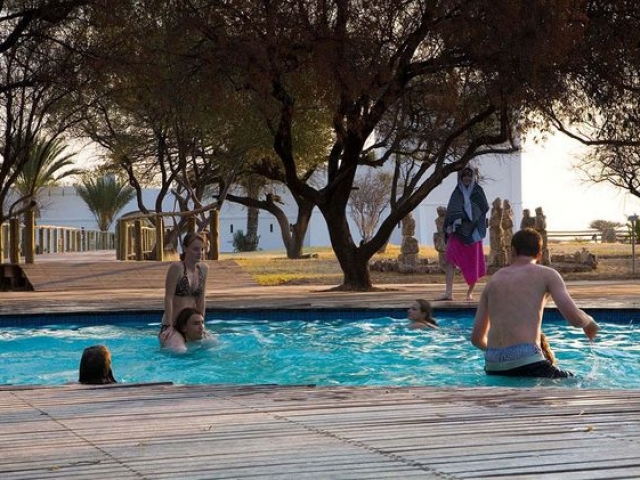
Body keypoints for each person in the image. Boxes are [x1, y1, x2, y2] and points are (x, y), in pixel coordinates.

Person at [471, 228, 599, 378]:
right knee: (582, 381)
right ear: (540, 254)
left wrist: (501, 356)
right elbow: (575, 319)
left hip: (493, 364)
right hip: (527, 360)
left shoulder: (494, 280)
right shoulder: (547, 274)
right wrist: (589, 322)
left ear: (512, 251)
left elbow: (476, 338)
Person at [437, 166, 489, 301]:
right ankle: (448, 293)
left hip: (474, 233)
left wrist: (469, 218)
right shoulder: (457, 192)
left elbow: (481, 209)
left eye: (469, 176)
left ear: (473, 177)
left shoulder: (478, 191)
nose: (466, 178)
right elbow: (451, 211)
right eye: (464, 176)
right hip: (457, 232)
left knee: (473, 263)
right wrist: (454, 222)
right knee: (449, 259)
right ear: (460, 177)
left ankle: (469, 293)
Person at [159, 232, 209, 345]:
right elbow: (169, 297)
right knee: (180, 351)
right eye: (195, 249)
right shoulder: (176, 268)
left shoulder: (203, 269)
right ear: (185, 248)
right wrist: (170, 326)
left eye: (202, 249)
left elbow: (201, 299)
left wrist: (201, 324)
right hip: (174, 324)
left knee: (214, 345)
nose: (200, 253)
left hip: (191, 326)